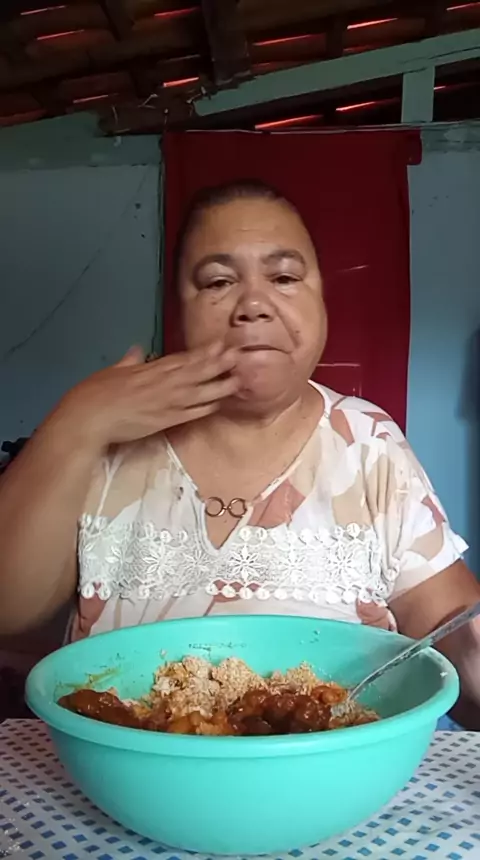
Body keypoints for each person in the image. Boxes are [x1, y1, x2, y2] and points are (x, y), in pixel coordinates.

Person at [0, 179, 479, 728]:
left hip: (331, 775)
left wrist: (470, 657)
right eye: (219, 282)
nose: (253, 305)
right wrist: (77, 423)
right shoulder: (104, 435)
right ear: (177, 311)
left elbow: (454, 645)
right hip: (121, 771)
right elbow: (9, 615)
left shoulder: (369, 445)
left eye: (284, 278)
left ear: (321, 300)